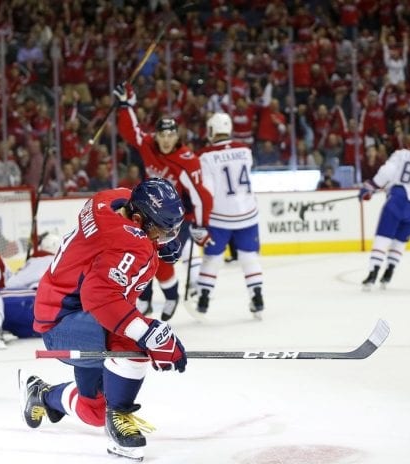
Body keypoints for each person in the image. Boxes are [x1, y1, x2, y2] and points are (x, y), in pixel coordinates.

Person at [19, 178, 187, 461]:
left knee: (94, 411)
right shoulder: (129, 244)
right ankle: (120, 418)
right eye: (161, 230)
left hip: (65, 310)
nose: (165, 237)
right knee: (132, 341)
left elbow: (112, 248)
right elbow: (100, 296)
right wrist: (150, 335)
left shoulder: (112, 199)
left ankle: (42, 394)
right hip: (67, 323)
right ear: (138, 220)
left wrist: (155, 242)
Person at [113, 82, 213, 321]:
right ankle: (144, 298)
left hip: (177, 218)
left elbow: (202, 196)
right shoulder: (149, 145)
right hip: (149, 211)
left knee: (162, 257)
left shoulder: (187, 160)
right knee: (139, 253)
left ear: (177, 136)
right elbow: (131, 132)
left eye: (171, 135)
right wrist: (125, 106)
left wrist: (201, 224)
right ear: (156, 135)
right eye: (162, 135)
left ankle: (171, 295)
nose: (166, 140)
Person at [194, 113, 264, 318]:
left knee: (212, 257)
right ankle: (257, 297)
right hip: (248, 213)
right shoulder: (245, 150)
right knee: (248, 257)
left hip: (220, 216)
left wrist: (200, 220)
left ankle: (203, 298)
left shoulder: (205, 156)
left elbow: (207, 192)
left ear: (212, 130)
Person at [359, 133, 410, 289]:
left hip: (397, 200)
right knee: (400, 241)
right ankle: (389, 272)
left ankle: (373, 273)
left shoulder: (402, 154)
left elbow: (386, 172)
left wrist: (372, 186)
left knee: (383, 236)